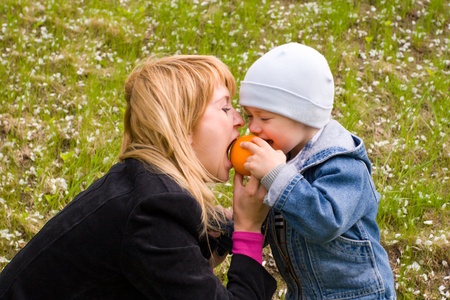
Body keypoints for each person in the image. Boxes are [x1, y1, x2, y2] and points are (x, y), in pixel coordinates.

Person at [0, 55, 276, 299]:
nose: (240, 121)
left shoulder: (142, 183)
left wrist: (230, 227)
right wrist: (248, 229)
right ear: (182, 128)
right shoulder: (154, 211)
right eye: (225, 108)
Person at [237, 42, 396, 299]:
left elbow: (323, 222)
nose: (253, 127)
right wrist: (237, 219)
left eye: (263, 118)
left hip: (357, 294)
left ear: (303, 116)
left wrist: (277, 177)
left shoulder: (344, 165)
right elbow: (275, 224)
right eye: (249, 116)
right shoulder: (282, 159)